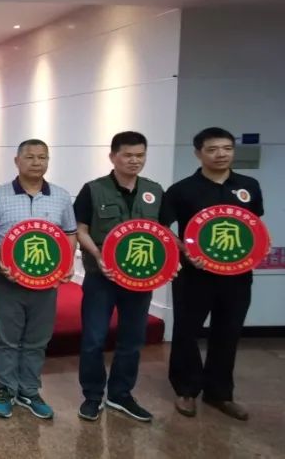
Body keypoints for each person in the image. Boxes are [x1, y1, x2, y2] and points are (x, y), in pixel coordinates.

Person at [163, 127, 264, 421]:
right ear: (198, 153)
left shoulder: (249, 186)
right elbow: (163, 228)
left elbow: (253, 225)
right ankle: (186, 389)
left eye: (227, 148)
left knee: (228, 331)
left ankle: (220, 393)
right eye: (212, 149)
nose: (221, 154)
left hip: (237, 275)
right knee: (186, 331)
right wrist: (184, 250)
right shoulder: (182, 190)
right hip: (195, 274)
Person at [73, 131, 163, 423]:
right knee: (94, 338)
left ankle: (121, 394)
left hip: (139, 279)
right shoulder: (93, 189)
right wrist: (98, 256)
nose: (134, 160)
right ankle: (92, 395)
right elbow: (81, 230)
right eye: (128, 155)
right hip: (102, 277)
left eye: (140, 155)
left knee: (133, 339)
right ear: (113, 157)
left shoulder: (154, 191)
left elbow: (160, 234)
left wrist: (169, 262)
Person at [0, 139, 77, 420]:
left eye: (42, 157)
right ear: (17, 161)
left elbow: (69, 233)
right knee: (7, 339)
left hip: (46, 283)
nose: (37, 162)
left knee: (37, 339)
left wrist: (67, 264)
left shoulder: (61, 196)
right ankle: (6, 389)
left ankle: (29, 390)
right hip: (8, 281)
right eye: (30, 157)